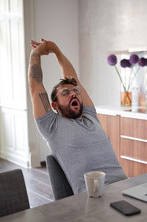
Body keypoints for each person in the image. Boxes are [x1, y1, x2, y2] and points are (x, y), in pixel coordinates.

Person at [28, 39, 127, 194]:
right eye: (65, 93)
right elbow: (35, 86)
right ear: (55, 106)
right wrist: (35, 54)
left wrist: (57, 50)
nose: (73, 93)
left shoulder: (90, 116)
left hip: (125, 187)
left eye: (75, 91)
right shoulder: (51, 125)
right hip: (96, 196)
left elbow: (74, 78)